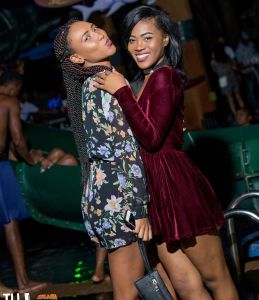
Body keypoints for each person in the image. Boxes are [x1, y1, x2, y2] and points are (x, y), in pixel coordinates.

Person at [93, 5, 239, 300]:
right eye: (132, 39)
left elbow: (152, 136)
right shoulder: (140, 81)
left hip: (177, 185)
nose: (138, 46)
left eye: (147, 38)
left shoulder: (165, 76)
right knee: (185, 284)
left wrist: (120, 90)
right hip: (153, 190)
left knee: (216, 278)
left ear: (166, 40)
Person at [53, 20, 156, 300]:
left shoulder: (98, 81)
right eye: (88, 37)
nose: (99, 35)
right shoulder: (104, 85)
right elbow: (123, 150)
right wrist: (140, 207)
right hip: (121, 198)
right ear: (77, 57)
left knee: (155, 281)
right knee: (127, 293)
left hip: (111, 194)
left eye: (96, 28)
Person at [0, 70, 48, 293]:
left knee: (9, 223)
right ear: (14, 87)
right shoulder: (9, 101)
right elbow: (18, 140)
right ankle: (21, 283)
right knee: (11, 222)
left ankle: (17, 284)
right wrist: (30, 162)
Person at [211, 42, 245, 116]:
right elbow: (234, 66)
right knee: (237, 95)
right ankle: (243, 112)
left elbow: (215, 71)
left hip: (223, 79)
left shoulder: (214, 61)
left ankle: (236, 114)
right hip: (230, 76)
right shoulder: (226, 57)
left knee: (230, 98)